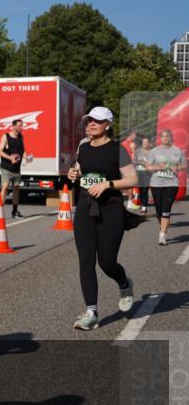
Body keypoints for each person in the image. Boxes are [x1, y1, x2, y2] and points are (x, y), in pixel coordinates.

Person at [66, 107, 137, 331]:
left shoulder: (118, 150)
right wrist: (73, 175)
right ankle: (91, 312)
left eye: (97, 121)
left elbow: (132, 179)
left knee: (106, 262)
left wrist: (108, 184)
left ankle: (124, 284)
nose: (91, 124)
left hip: (111, 210)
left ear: (108, 124)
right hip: (85, 209)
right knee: (86, 260)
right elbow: (80, 172)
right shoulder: (83, 148)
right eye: (88, 121)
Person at [145, 129, 187, 246]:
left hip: (171, 184)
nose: (165, 138)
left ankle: (162, 235)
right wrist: (158, 167)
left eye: (167, 136)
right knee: (159, 211)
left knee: (166, 210)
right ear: (160, 138)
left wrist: (177, 168)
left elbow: (184, 165)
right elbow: (148, 166)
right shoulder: (154, 151)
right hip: (156, 184)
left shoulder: (177, 151)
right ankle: (162, 226)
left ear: (171, 138)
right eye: (163, 136)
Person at [0, 119, 26, 218]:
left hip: (16, 168)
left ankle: (14, 211)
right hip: (6, 167)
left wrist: (27, 157)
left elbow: (23, 151)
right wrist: (10, 158)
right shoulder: (6, 136)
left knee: (16, 188)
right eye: (19, 126)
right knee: (5, 186)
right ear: (13, 126)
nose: (21, 128)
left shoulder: (21, 137)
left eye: (22, 126)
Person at [133, 136, 152, 215]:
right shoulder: (137, 151)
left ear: (149, 144)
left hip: (148, 173)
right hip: (139, 172)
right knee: (141, 190)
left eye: (146, 142)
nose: (145, 144)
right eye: (144, 142)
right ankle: (143, 205)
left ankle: (144, 209)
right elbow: (133, 161)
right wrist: (141, 162)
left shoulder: (152, 152)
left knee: (145, 190)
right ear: (142, 144)